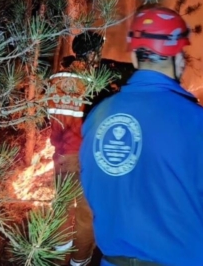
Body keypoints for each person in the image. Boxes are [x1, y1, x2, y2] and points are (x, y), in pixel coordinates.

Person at [79, 6, 203, 266]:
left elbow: (92, 191)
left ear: (134, 57)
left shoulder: (98, 117)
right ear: (178, 58)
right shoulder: (197, 123)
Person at [47, 31, 131, 266]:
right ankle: (79, 261)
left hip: (61, 156)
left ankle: (57, 257)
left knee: (62, 206)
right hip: (86, 158)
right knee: (87, 213)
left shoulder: (55, 78)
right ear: (93, 54)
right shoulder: (93, 84)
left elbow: (49, 116)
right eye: (98, 53)